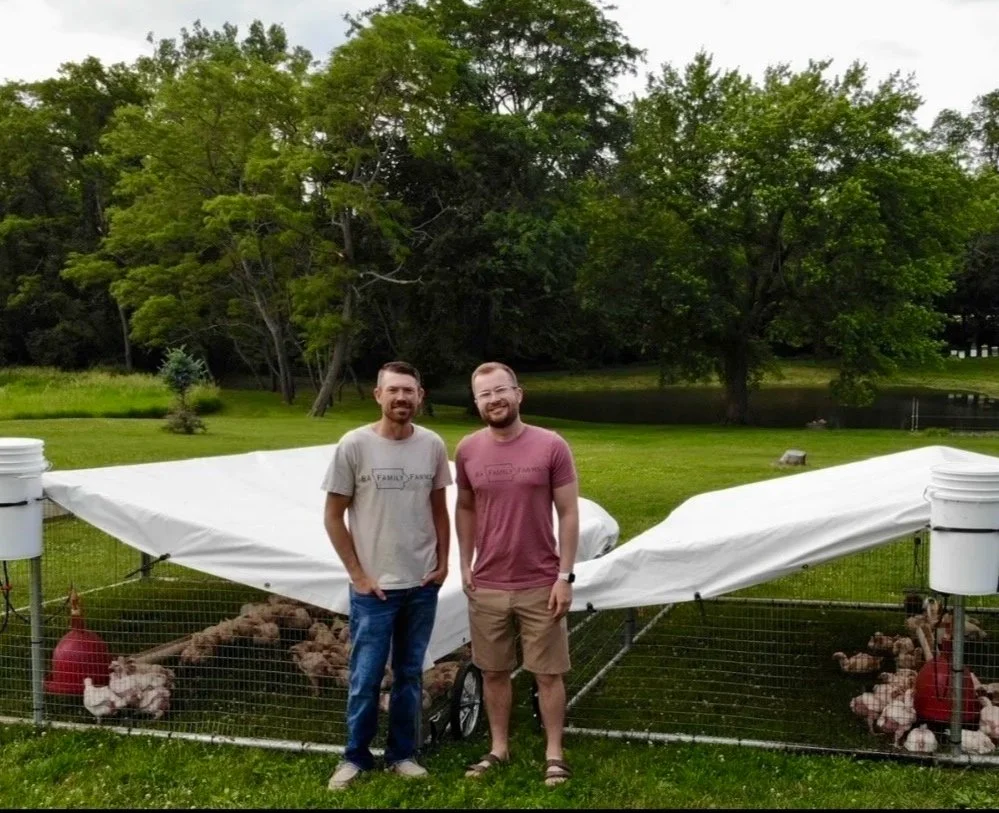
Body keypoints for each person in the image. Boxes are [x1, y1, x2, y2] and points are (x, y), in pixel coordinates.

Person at [321, 360, 452, 791]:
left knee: (410, 674)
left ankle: (401, 754)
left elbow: (439, 509)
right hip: (373, 589)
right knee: (365, 677)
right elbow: (333, 517)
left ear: (420, 396)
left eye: (409, 391)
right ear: (377, 395)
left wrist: (443, 561)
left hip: (421, 585)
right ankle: (355, 758)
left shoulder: (432, 445)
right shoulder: (353, 445)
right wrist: (358, 575)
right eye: (393, 390)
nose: (401, 398)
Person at [454, 361, 579, 787]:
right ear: (476, 402)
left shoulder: (551, 445)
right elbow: (466, 507)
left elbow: (568, 511)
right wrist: (464, 561)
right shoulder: (468, 449)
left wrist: (565, 575)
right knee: (493, 671)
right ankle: (499, 748)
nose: (494, 400)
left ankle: (554, 753)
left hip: (541, 582)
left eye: (501, 390)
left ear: (519, 394)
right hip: (488, 584)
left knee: (548, 673)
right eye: (485, 394)